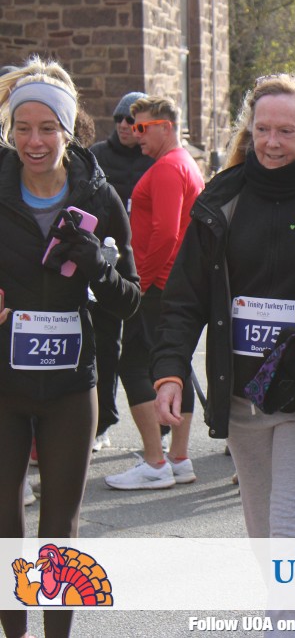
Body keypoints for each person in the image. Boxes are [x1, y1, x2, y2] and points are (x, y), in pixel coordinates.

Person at [151, 73, 295, 636]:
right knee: (266, 542)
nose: (271, 142)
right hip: (242, 399)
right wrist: (170, 371)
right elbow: (183, 300)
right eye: (262, 130)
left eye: (286, 131)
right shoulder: (221, 199)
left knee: (294, 534)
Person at [0, 56, 140, 638]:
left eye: (47, 128)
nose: (34, 142)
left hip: (70, 383)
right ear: (9, 131)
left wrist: (97, 269)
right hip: (2, 383)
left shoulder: (99, 198)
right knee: (4, 523)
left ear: (68, 129)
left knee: (60, 525)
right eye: (22, 129)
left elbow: (129, 299)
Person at [103, 96, 204, 491]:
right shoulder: (181, 164)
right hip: (170, 282)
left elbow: (166, 231)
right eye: (133, 126)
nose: (135, 133)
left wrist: (141, 283)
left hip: (159, 284)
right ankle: (176, 458)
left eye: (143, 127)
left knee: (134, 365)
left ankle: (156, 461)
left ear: (166, 127)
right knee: (174, 366)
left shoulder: (168, 167)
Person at [88, 91, 155, 451]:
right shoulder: (97, 155)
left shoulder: (152, 159)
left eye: (133, 121)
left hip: (146, 265)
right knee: (105, 346)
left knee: (143, 351)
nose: (125, 126)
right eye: (119, 119)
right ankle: (101, 422)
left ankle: (158, 429)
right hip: (106, 264)